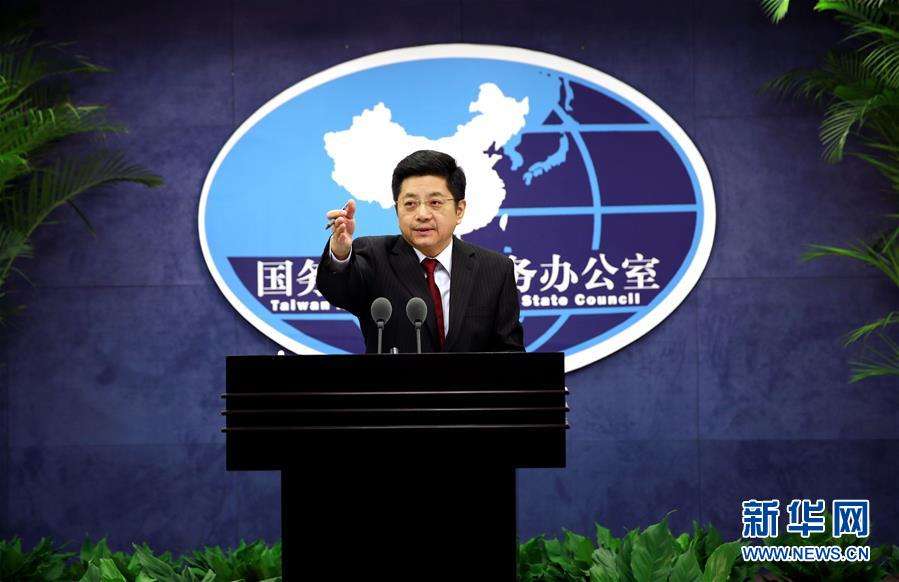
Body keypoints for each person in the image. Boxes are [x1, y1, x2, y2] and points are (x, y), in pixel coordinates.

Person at [315, 149, 524, 353]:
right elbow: (340, 291)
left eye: (435, 203)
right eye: (410, 204)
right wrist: (340, 253)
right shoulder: (373, 256)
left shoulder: (495, 269)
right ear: (397, 210)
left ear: (459, 210)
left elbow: (509, 350)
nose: (422, 214)